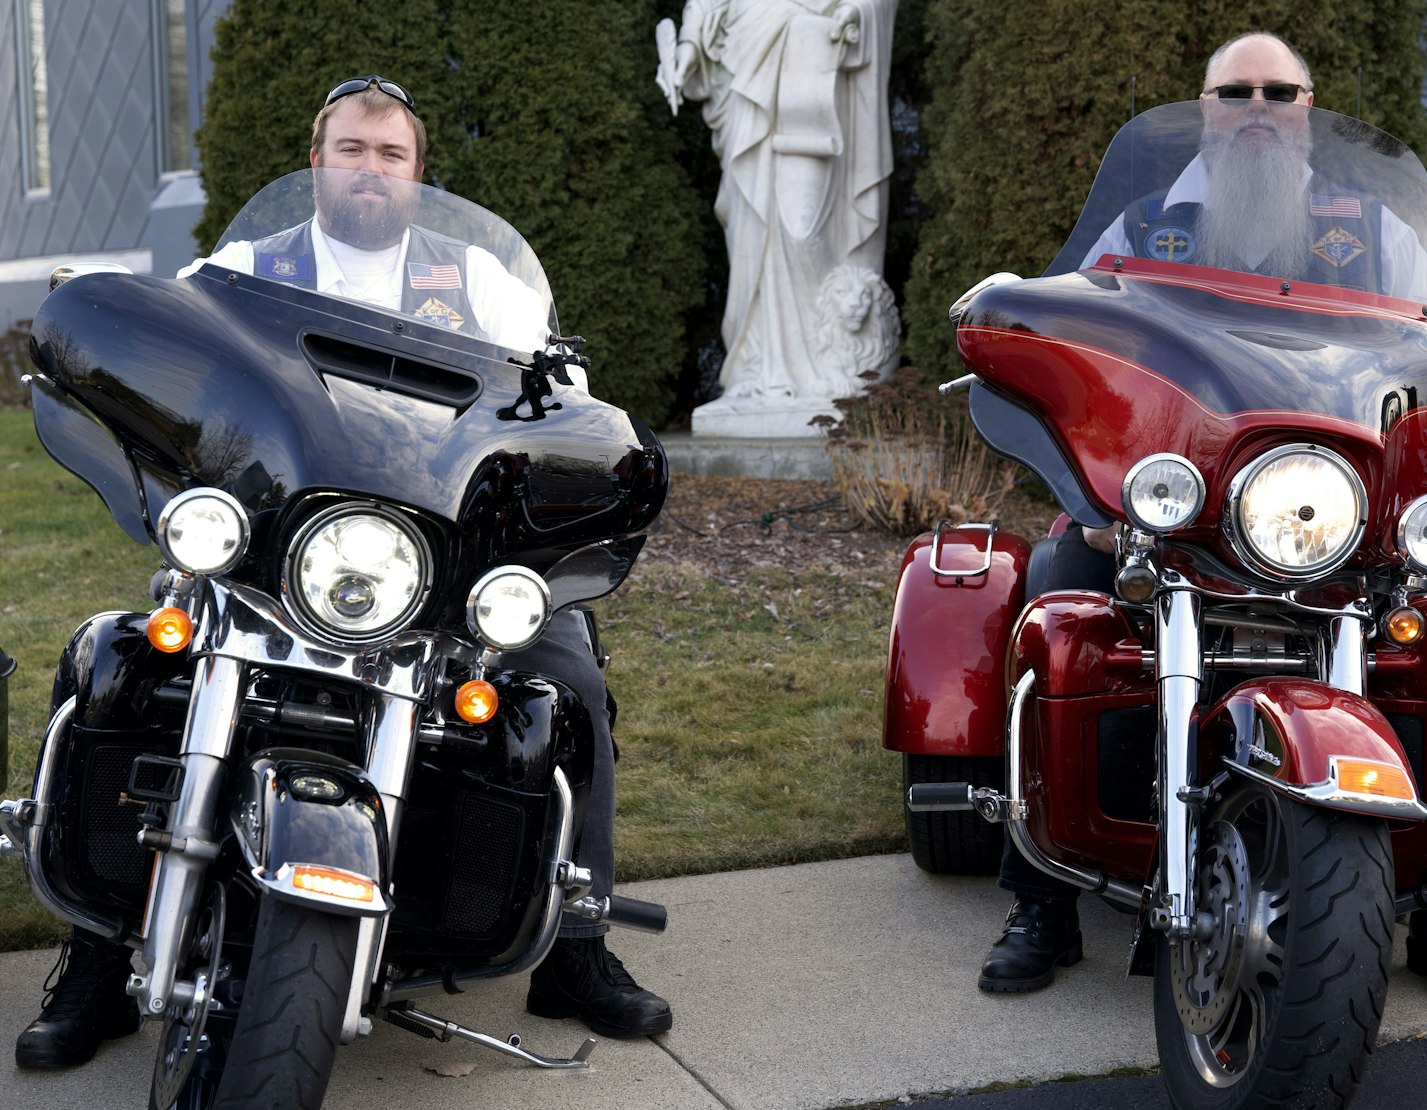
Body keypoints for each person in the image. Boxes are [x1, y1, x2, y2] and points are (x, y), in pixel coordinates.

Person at [15, 74, 667, 1073]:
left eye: (391, 155)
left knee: (567, 686)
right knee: (129, 664)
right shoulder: (243, 267)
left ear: (417, 174)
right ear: (317, 162)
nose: (370, 169)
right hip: (280, 554)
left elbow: (558, 395)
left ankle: (574, 943)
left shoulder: (477, 282)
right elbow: (177, 354)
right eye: (352, 151)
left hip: (440, 562)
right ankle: (99, 950)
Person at [977, 32, 1427, 1015]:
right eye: (1237, 93)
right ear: (1204, 111)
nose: (1258, 109)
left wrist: (1421, 495)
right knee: (1056, 589)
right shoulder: (1142, 231)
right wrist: (1101, 507)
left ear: (1307, 109)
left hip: (1340, 516)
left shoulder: (1376, 232)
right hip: (1176, 517)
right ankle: (1039, 897)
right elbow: (1073, 370)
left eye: (1279, 91)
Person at [658, 0, 897, 404]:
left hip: (810, 69)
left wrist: (855, 11)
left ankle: (830, 364)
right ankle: (756, 368)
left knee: (802, 229)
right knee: (751, 227)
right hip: (741, 70)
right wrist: (688, 46)